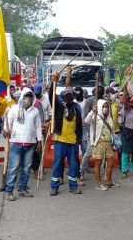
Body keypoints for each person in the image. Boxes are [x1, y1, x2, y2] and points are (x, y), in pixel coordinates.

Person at [48, 68, 84, 196]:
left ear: (73, 97)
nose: (69, 96)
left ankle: (73, 186)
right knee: (57, 164)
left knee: (73, 165)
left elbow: (79, 125)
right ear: (63, 96)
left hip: (73, 142)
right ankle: (54, 187)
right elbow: (51, 94)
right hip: (60, 141)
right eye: (67, 94)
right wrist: (54, 82)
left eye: (71, 94)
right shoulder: (59, 106)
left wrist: (78, 139)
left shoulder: (76, 108)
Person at [4, 88, 43, 200]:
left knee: (26, 168)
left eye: (30, 97)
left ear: (33, 98)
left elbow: (37, 126)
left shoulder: (35, 111)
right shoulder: (14, 109)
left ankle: (22, 189)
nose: (28, 99)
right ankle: (9, 191)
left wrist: (39, 140)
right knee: (13, 168)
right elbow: (8, 123)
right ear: (22, 97)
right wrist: (6, 130)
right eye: (26, 96)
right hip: (16, 142)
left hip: (30, 143)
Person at [84, 99, 118, 191]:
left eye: (107, 106)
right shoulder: (95, 116)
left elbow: (112, 130)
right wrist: (92, 111)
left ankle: (108, 181)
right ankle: (98, 184)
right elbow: (86, 121)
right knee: (98, 163)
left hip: (108, 143)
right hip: (99, 143)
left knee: (110, 163)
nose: (105, 108)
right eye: (103, 106)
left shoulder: (109, 118)